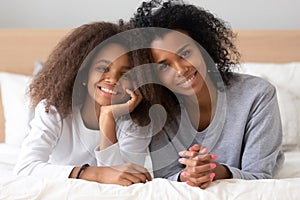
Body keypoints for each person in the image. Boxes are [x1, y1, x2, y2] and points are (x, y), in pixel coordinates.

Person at [129, 0, 284, 189]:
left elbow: (260, 177)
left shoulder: (257, 95)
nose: (181, 69)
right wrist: (188, 175)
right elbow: (165, 177)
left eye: (185, 52)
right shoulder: (158, 109)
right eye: (164, 65)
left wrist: (215, 170)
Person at [13, 21, 152, 186]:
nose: (113, 80)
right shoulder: (53, 110)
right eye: (102, 68)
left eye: (126, 74)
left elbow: (126, 182)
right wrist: (95, 174)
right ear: (84, 74)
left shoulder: (138, 122)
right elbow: (25, 168)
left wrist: (108, 118)